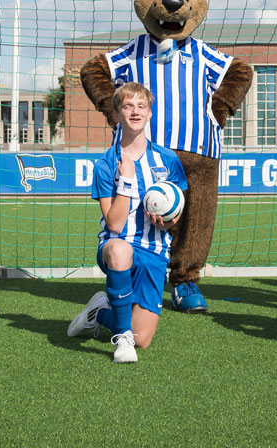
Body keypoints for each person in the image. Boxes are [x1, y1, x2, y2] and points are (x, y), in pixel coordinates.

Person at [67, 82, 188, 363]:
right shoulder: (106, 164)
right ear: (117, 114)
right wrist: (127, 179)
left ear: (149, 113)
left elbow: (176, 214)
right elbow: (115, 224)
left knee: (142, 339)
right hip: (117, 246)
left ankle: (99, 312)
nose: (135, 112)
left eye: (141, 106)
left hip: (155, 251)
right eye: (127, 106)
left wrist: (167, 222)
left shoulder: (167, 159)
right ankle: (121, 340)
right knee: (120, 249)